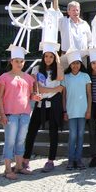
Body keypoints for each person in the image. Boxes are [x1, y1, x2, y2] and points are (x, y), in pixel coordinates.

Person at [0, 46, 36, 180]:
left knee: (20, 141)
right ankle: (8, 169)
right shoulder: (4, 77)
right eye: (17, 61)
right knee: (10, 142)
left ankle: (19, 166)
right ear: (11, 61)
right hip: (10, 115)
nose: (19, 64)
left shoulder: (29, 78)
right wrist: (2, 114)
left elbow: (29, 95)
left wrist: (34, 97)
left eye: (22, 61)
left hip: (25, 114)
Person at [23, 45, 64, 173]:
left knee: (53, 133)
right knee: (31, 132)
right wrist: (55, 90)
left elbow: (61, 80)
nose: (48, 59)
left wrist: (57, 58)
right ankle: (25, 160)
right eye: (46, 56)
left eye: (51, 56)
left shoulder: (58, 69)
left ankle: (50, 160)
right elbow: (37, 88)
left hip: (53, 106)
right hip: (40, 105)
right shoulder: (36, 69)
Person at [61, 50, 92, 170]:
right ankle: (70, 160)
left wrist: (88, 109)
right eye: (73, 63)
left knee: (80, 135)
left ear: (80, 64)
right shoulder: (66, 77)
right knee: (72, 135)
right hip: (71, 111)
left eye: (77, 63)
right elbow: (63, 96)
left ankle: (78, 160)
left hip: (83, 110)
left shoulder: (85, 76)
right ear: (69, 65)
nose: (75, 66)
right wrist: (64, 111)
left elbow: (89, 94)